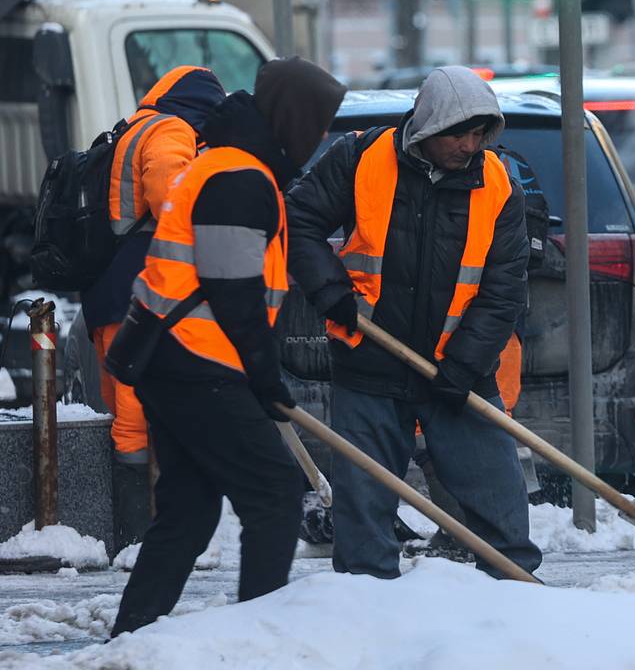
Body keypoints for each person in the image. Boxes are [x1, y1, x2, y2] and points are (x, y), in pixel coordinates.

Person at [110, 57, 345, 636]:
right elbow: (232, 287)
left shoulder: (232, 164)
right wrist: (264, 376)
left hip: (175, 358)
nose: (317, 138)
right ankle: (254, 637)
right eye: (317, 123)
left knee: (188, 512)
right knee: (274, 495)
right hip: (199, 361)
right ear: (293, 119)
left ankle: (134, 635)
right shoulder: (239, 178)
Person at [286, 66, 541, 580]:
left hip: (456, 371)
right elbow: (298, 221)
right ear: (427, 126)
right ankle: (368, 610)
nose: (469, 145)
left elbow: (504, 288)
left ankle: (518, 601)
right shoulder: (360, 158)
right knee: (363, 512)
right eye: (457, 133)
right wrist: (331, 291)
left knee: (500, 504)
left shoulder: (498, 185)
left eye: (479, 134)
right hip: (370, 362)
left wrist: (467, 361)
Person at [80, 65, 225, 549]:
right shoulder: (169, 130)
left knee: (123, 404)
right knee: (135, 413)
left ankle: (135, 529)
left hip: (109, 287)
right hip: (138, 288)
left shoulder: (133, 127)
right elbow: (171, 196)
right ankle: (137, 533)